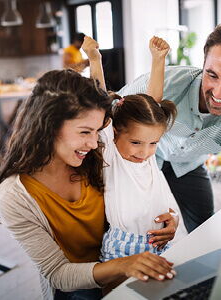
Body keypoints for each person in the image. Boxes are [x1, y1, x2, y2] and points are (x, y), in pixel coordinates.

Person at [0, 70, 178, 300]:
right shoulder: (15, 195)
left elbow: (141, 184)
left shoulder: (96, 157)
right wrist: (124, 264)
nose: (94, 142)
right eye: (85, 131)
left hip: (126, 268)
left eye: (97, 131)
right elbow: (58, 273)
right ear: (49, 125)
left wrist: (167, 220)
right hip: (77, 286)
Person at [117, 19, 221, 233]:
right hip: (142, 158)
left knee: (204, 229)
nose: (219, 93)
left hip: (189, 163)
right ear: (203, 63)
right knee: (128, 224)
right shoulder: (164, 83)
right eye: (212, 75)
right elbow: (108, 119)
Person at [82, 36, 187, 262]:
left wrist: (159, 60)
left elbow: (154, 101)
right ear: (116, 132)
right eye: (136, 143)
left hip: (161, 243)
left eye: (153, 143)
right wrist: (94, 59)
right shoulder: (111, 152)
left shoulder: (146, 154)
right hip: (124, 248)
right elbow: (99, 101)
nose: (145, 152)